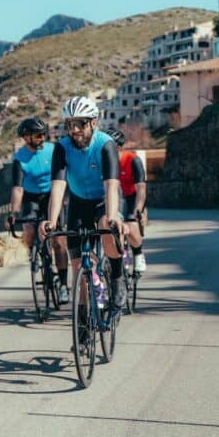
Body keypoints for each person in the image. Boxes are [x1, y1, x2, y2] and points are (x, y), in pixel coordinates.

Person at [40, 96, 126, 316]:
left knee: (107, 224)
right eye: (70, 124)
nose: (75, 129)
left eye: (80, 123)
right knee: (78, 266)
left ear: (93, 123)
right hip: (78, 204)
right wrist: (51, 220)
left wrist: (113, 216)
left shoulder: (105, 144)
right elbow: (58, 187)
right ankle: (83, 318)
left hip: (104, 200)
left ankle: (116, 276)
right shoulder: (62, 147)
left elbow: (111, 186)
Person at [7, 117, 70, 303]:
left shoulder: (53, 150)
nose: (43, 137)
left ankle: (64, 285)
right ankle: (34, 251)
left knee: (59, 242)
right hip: (32, 198)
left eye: (44, 134)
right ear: (26, 138)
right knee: (28, 228)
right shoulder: (20, 159)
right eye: (38, 135)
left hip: (53, 196)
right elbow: (18, 189)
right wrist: (13, 212)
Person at [108, 128, 147, 273]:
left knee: (130, 224)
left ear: (118, 147)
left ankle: (138, 253)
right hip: (114, 197)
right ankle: (120, 251)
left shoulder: (132, 159)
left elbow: (141, 188)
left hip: (131, 196)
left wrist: (138, 209)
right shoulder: (103, 162)